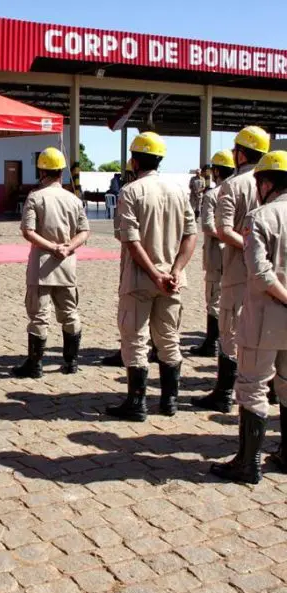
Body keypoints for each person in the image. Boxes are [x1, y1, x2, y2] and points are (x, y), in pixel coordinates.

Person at [106, 132, 197, 422]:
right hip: (172, 280)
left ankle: (137, 403)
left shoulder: (130, 192)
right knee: (169, 338)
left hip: (140, 280)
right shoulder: (178, 191)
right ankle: (170, 401)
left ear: (134, 160)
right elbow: (190, 235)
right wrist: (176, 270)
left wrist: (154, 273)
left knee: (135, 339)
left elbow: (131, 242)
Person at [210, 150, 287, 484]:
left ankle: (247, 463)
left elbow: (259, 273)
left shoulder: (261, 217)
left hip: (265, 317)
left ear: (266, 183)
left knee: (253, 386)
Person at [193, 126, 270, 414]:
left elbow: (223, 230)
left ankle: (224, 393)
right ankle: (272, 392)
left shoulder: (233, 186)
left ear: (240, 153)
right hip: (271, 273)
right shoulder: (272, 182)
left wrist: (251, 249)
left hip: (237, 271)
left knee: (231, 332)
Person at [11, 147, 90, 379]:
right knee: (70, 313)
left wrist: (51, 247)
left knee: (38, 316)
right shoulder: (74, 200)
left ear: (41, 171)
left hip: (42, 265)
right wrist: (68, 247)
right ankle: (71, 361)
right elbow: (85, 231)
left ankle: (35, 365)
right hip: (66, 266)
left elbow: (28, 231)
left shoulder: (36, 197)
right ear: (61, 172)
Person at [102, 162, 161, 368]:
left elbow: (121, 233)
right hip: (167, 264)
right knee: (165, 325)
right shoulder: (174, 190)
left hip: (136, 264)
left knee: (133, 322)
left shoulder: (130, 193)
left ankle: (129, 356)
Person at [190, 150, 235, 357]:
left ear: (216, 171)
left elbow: (207, 226)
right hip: (238, 255)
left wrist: (226, 235)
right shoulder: (245, 188)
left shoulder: (213, 194)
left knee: (214, 298)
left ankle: (213, 343)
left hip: (218, 254)